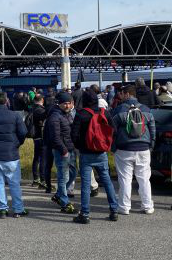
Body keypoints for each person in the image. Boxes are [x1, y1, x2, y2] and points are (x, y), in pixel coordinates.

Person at [70, 88, 119, 224]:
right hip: (101, 153)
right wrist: (105, 144)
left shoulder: (81, 114)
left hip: (86, 153)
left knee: (86, 185)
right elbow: (113, 131)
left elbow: (74, 135)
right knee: (107, 181)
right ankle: (114, 210)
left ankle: (85, 214)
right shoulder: (105, 112)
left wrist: (81, 146)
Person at [111, 85, 156, 215]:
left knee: (125, 179)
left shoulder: (119, 110)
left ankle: (124, 207)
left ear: (126, 94)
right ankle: (147, 206)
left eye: (121, 93)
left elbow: (112, 131)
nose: (120, 96)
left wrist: (113, 148)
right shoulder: (146, 109)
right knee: (144, 178)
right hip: (143, 148)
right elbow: (153, 129)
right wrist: (151, 145)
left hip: (124, 149)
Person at [46, 92, 77, 214]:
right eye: (65, 103)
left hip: (71, 149)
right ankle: (64, 203)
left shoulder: (66, 114)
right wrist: (63, 150)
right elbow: (55, 137)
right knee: (63, 177)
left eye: (69, 103)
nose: (67, 106)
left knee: (73, 173)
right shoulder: (55, 116)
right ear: (59, 104)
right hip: (62, 151)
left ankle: (59, 194)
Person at [30, 95, 48, 190]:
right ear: (42, 100)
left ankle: (36, 179)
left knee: (36, 158)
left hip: (35, 136)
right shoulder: (41, 110)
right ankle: (43, 180)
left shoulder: (32, 109)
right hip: (41, 137)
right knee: (43, 159)